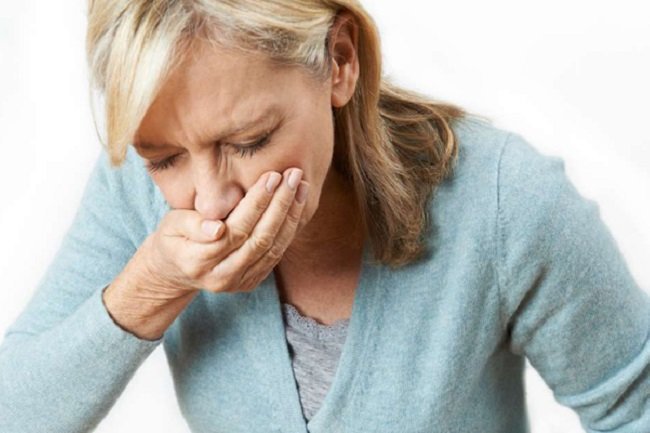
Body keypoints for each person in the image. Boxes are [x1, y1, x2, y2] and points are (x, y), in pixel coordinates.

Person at [1, 0, 648, 432]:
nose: (211, 200)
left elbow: (633, 408)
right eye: (164, 158)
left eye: (248, 141)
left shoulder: (504, 200)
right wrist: (153, 286)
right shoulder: (132, 192)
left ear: (339, 61)